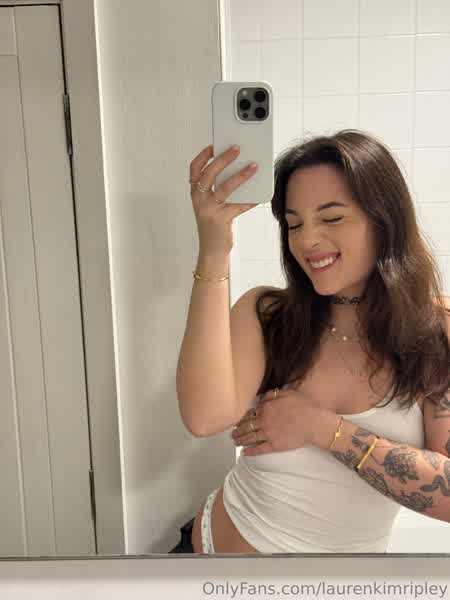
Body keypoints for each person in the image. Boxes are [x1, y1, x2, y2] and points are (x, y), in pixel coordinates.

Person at [175, 129, 450, 554]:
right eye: (294, 223)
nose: (306, 240)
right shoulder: (269, 315)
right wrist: (214, 250)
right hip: (208, 562)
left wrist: (324, 429)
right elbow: (203, 417)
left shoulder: (435, 331)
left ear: (384, 220)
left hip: (334, 584)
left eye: (332, 218)